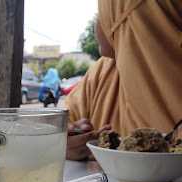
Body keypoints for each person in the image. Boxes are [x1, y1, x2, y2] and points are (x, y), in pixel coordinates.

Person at [66, 0, 182, 160]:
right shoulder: (103, 73)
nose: (100, 24)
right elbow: (56, 127)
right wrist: (62, 144)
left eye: (104, 12)